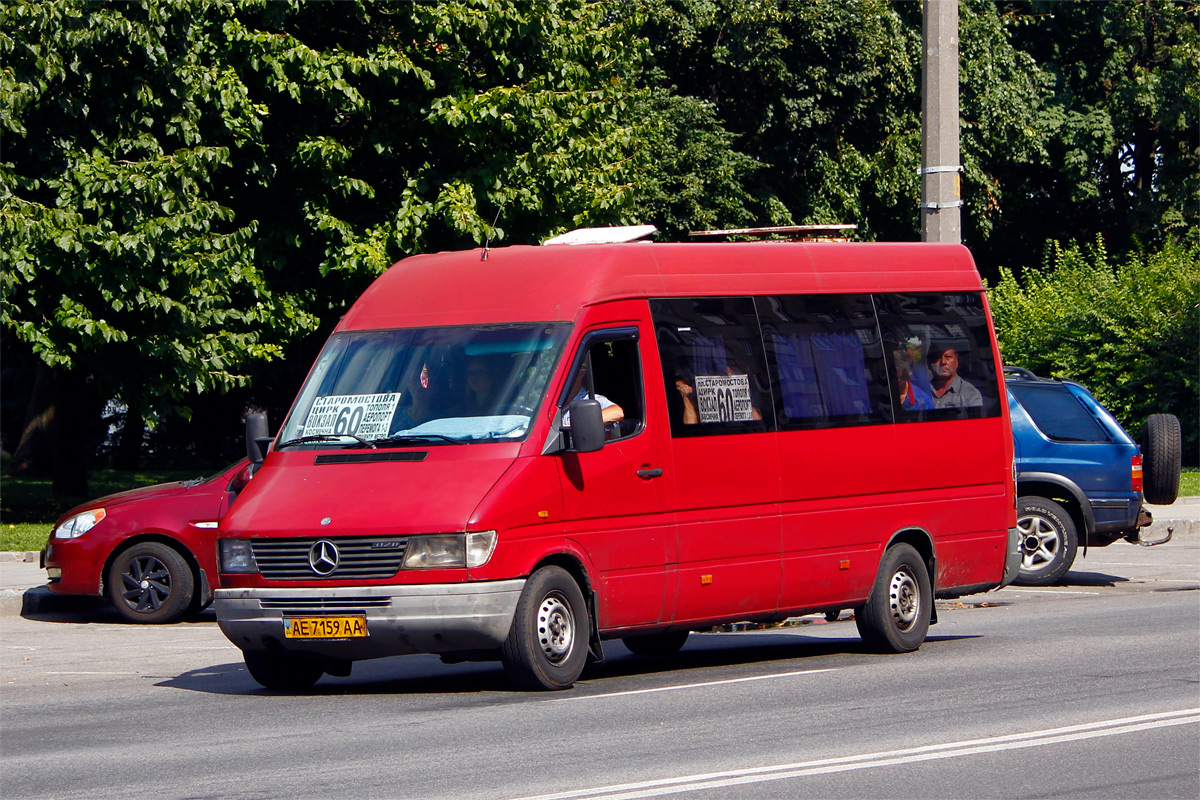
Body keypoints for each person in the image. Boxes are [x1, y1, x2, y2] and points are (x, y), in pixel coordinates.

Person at [928, 344, 982, 409]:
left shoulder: (970, 394)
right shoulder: (921, 390)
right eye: (937, 357)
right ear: (929, 364)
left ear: (957, 362)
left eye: (948, 356)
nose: (943, 362)